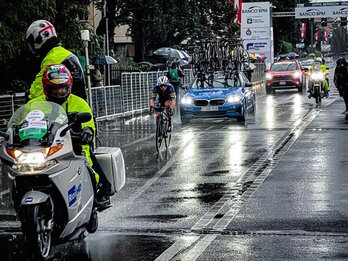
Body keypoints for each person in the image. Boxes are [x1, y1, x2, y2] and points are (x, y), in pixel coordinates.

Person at [29, 64, 110, 207]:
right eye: (55, 87)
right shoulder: (34, 104)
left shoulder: (79, 103)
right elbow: (22, 122)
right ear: (46, 87)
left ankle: (94, 199)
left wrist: (87, 132)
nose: (59, 91)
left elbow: (89, 124)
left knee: (89, 167)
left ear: (69, 86)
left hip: (73, 146)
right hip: (42, 147)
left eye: (63, 87)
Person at [26, 20, 87, 100]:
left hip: (64, 109)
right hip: (77, 104)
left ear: (39, 39)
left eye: (32, 43)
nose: (31, 48)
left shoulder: (52, 58)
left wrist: (28, 95)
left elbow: (37, 91)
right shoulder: (67, 54)